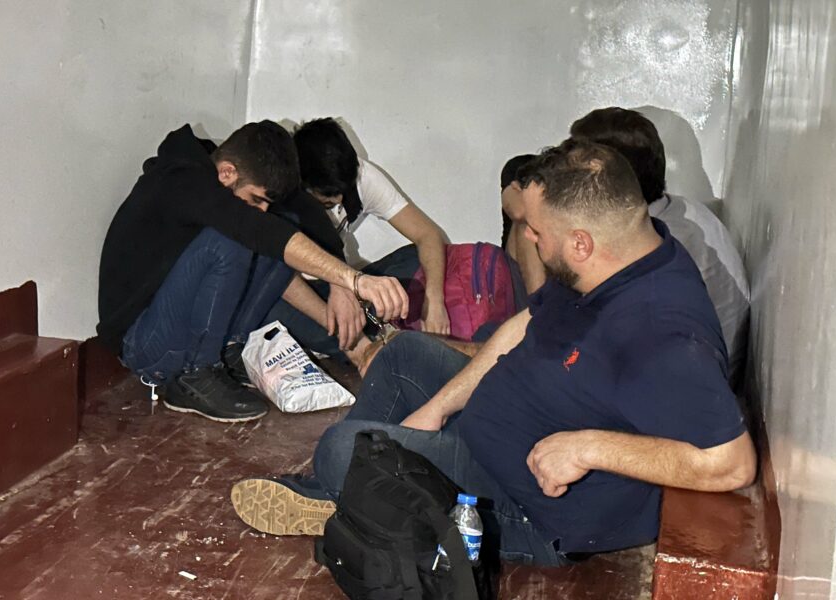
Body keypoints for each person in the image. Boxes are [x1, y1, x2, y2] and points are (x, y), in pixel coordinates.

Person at [230, 139, 756, 566]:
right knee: (404, 353)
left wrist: (588, 449)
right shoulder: (620, 256)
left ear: (580, 243)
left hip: (523, 502)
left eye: (536, 231)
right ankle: (348, 493)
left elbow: (732, 464)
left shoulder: (662, 333)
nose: (528, 238)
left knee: (341, 448)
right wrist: (438, 409)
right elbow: (527, 323)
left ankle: (345, 489)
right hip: (494, 429)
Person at [96, 121, 407, 423]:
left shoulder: (226, 175)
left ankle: (227, 353)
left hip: (178, 329)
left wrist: (339, 284)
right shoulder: (181, 180)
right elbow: (256, 228)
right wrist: (355, 280)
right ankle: (195, 374)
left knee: (278, 228)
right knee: (237, 238)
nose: (260, 208)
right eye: (256, 198)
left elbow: (305, 211)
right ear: (227, 173)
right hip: (142, 344)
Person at [568, 107, 750, 386]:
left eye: (572, 172)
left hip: (688, 387)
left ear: (605, 178)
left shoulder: (658, 243)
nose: (565, 184)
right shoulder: (676, 211)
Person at [262, 117, 450, 360]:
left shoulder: (361, 175)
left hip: (350, 282)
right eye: (328, 198)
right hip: (298, 291)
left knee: (418, 259)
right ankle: (362, 332)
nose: (340, 200)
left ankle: (367, 325)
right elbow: (277, 276)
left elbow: (428, 234)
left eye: (343, 191)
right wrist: (351, 334)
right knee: (270, 309)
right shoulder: (280, 192)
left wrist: (434, 302)